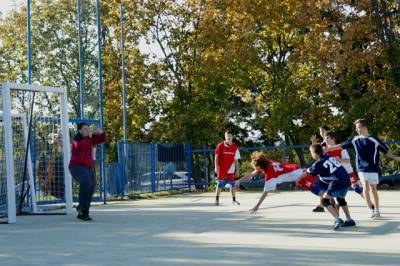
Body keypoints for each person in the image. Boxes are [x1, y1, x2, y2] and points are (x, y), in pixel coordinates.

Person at [325, 119, 400, 219]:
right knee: (365, 188)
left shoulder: (374, 139)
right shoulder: (355, 139)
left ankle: (377, 210)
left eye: (358, 127)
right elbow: (341, 145)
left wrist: (396, 158)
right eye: (356, 128)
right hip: (361, 168)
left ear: (364, 128)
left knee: (373, 189)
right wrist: (329, 149)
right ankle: (371, 210)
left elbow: (386, 151)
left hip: (373, 168)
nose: (357, 130)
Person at [235, 151, 318, 214]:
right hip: (298, 171)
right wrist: (239, 180)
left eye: (256, 167)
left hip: (301, 176)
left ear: (260, 166)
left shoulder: (270, 175)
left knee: (319, 190)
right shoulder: (269, 163)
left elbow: (265, 193)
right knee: (321, 188)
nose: (256, 169)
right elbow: (251, 174)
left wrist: (256, 207)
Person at [297, 144, 355, 230]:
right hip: (346, 180)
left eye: (311, 152)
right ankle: (349, 220)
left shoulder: (318, 163)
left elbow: (307, 173)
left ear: (314, 153)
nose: (311, 154)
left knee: (325, 200)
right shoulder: (329, 156)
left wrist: (298, 179)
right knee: (340, 199)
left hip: (337, 182)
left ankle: (338, 219)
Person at [69, 123, 106, 221]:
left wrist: (101, 133)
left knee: (92, 187)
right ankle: (83, 210)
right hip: (76, 166)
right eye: (85, 129)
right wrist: (90, 137)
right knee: (86, 182)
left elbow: (102, 139)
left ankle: (82, 209)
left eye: (88, 129)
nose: (87, 130)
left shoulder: (89, 139)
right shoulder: (77, 140)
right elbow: (81, 146)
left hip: (88, 167)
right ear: (79, 131)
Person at [324, 130, 364, 199]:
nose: (325, 140)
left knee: (356, 188)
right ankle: (334, 206)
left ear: (333, 139)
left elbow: (348, 161)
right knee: (333, 193)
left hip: (348, 172)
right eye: (325, 138)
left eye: (327, 138)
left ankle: (369, 202)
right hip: (336, 175)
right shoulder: (325, 151)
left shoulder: (341, 148)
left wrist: (337, 159)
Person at [214, 131, 240, 206]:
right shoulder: (220, 145)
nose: (228, 137)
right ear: (225, 137)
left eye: (229, 136)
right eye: (226, 136)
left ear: (232, 137)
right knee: (220, 184)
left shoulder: (235, 147)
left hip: (231, 168)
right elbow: (216, 157)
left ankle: (234, 200)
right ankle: (216, 200)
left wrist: (237, 170)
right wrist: (216, 167)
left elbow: (236, 160)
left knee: (232, 184)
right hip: (221, 168)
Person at [310, 125, 330, 212]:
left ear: (327, 131)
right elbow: (315, 152)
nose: (321, 133)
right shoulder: (322, 144)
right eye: (320, 131)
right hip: (325, 167)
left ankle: (329, 204)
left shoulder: (330, 142)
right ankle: (322, 206)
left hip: (330, 167)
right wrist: (313, 143)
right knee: (323, 186)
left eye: (322, 131)